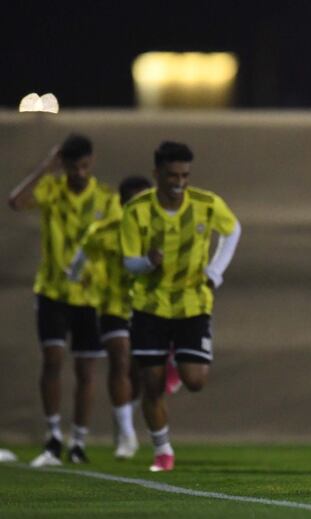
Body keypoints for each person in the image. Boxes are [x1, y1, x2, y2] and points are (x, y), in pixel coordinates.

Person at [121, 141, 241, 472]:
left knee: (196, 380)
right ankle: (163, 451)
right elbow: (129, 262)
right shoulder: (137, 210)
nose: (179, 182)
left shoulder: (206, 203)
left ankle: (176, 363)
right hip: (150, 305)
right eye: (172, 175)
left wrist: (215, 272)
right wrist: (147, 262)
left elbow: (233, 231)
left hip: (192, 303)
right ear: (157, 173)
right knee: (151, 386)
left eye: (185, 175)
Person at [8, 134, 120, 466]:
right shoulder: (52, 190)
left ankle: (79, 442)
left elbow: (115, 241)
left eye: (85, 165)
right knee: (53, 360)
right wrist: (46, 166)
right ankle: (54, 436)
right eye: (74, 166)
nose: (80, 172)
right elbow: (16, 201)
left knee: (87, 369)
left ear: (92, 162)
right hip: (53, 291)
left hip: (89, 295)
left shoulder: (105, 199)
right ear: (65, 164)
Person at [69, 175, 153, 460]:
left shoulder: (159, 231)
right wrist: (78, 278)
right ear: (122, 203)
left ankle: (125, 418)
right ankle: (127, 434)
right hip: (113, 306)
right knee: (119, 359)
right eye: (134, 201)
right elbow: (79, 260)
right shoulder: (104, 231)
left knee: (141, 371)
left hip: (147, 307)